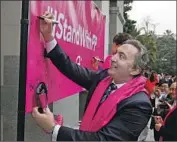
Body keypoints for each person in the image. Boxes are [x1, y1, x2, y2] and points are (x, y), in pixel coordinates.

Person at [32, 12, 152, 141]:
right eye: (116, 53)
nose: (113, 58)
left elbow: (104, 139)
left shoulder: (138, 104)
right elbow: (70, 68)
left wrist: (53, 128)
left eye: (121, 57)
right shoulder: (103, 79)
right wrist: (49, 37)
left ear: (135, 70)